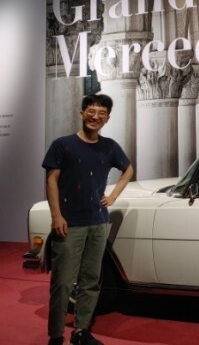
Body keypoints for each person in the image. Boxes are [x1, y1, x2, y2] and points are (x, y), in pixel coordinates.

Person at [42, 94, 134, 345]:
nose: (96, 117)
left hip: (98, 223)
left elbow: (128, 169)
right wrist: (56, 215)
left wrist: (113, 195)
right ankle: (56, 336)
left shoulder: (110, 146)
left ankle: (81, 331)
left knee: (91, 280)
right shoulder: (62, 145)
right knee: (62, 283)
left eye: (101, 113)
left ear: (107, 118)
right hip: (69, 223)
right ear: (82, 113)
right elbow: (51, 180)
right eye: (91, 111)